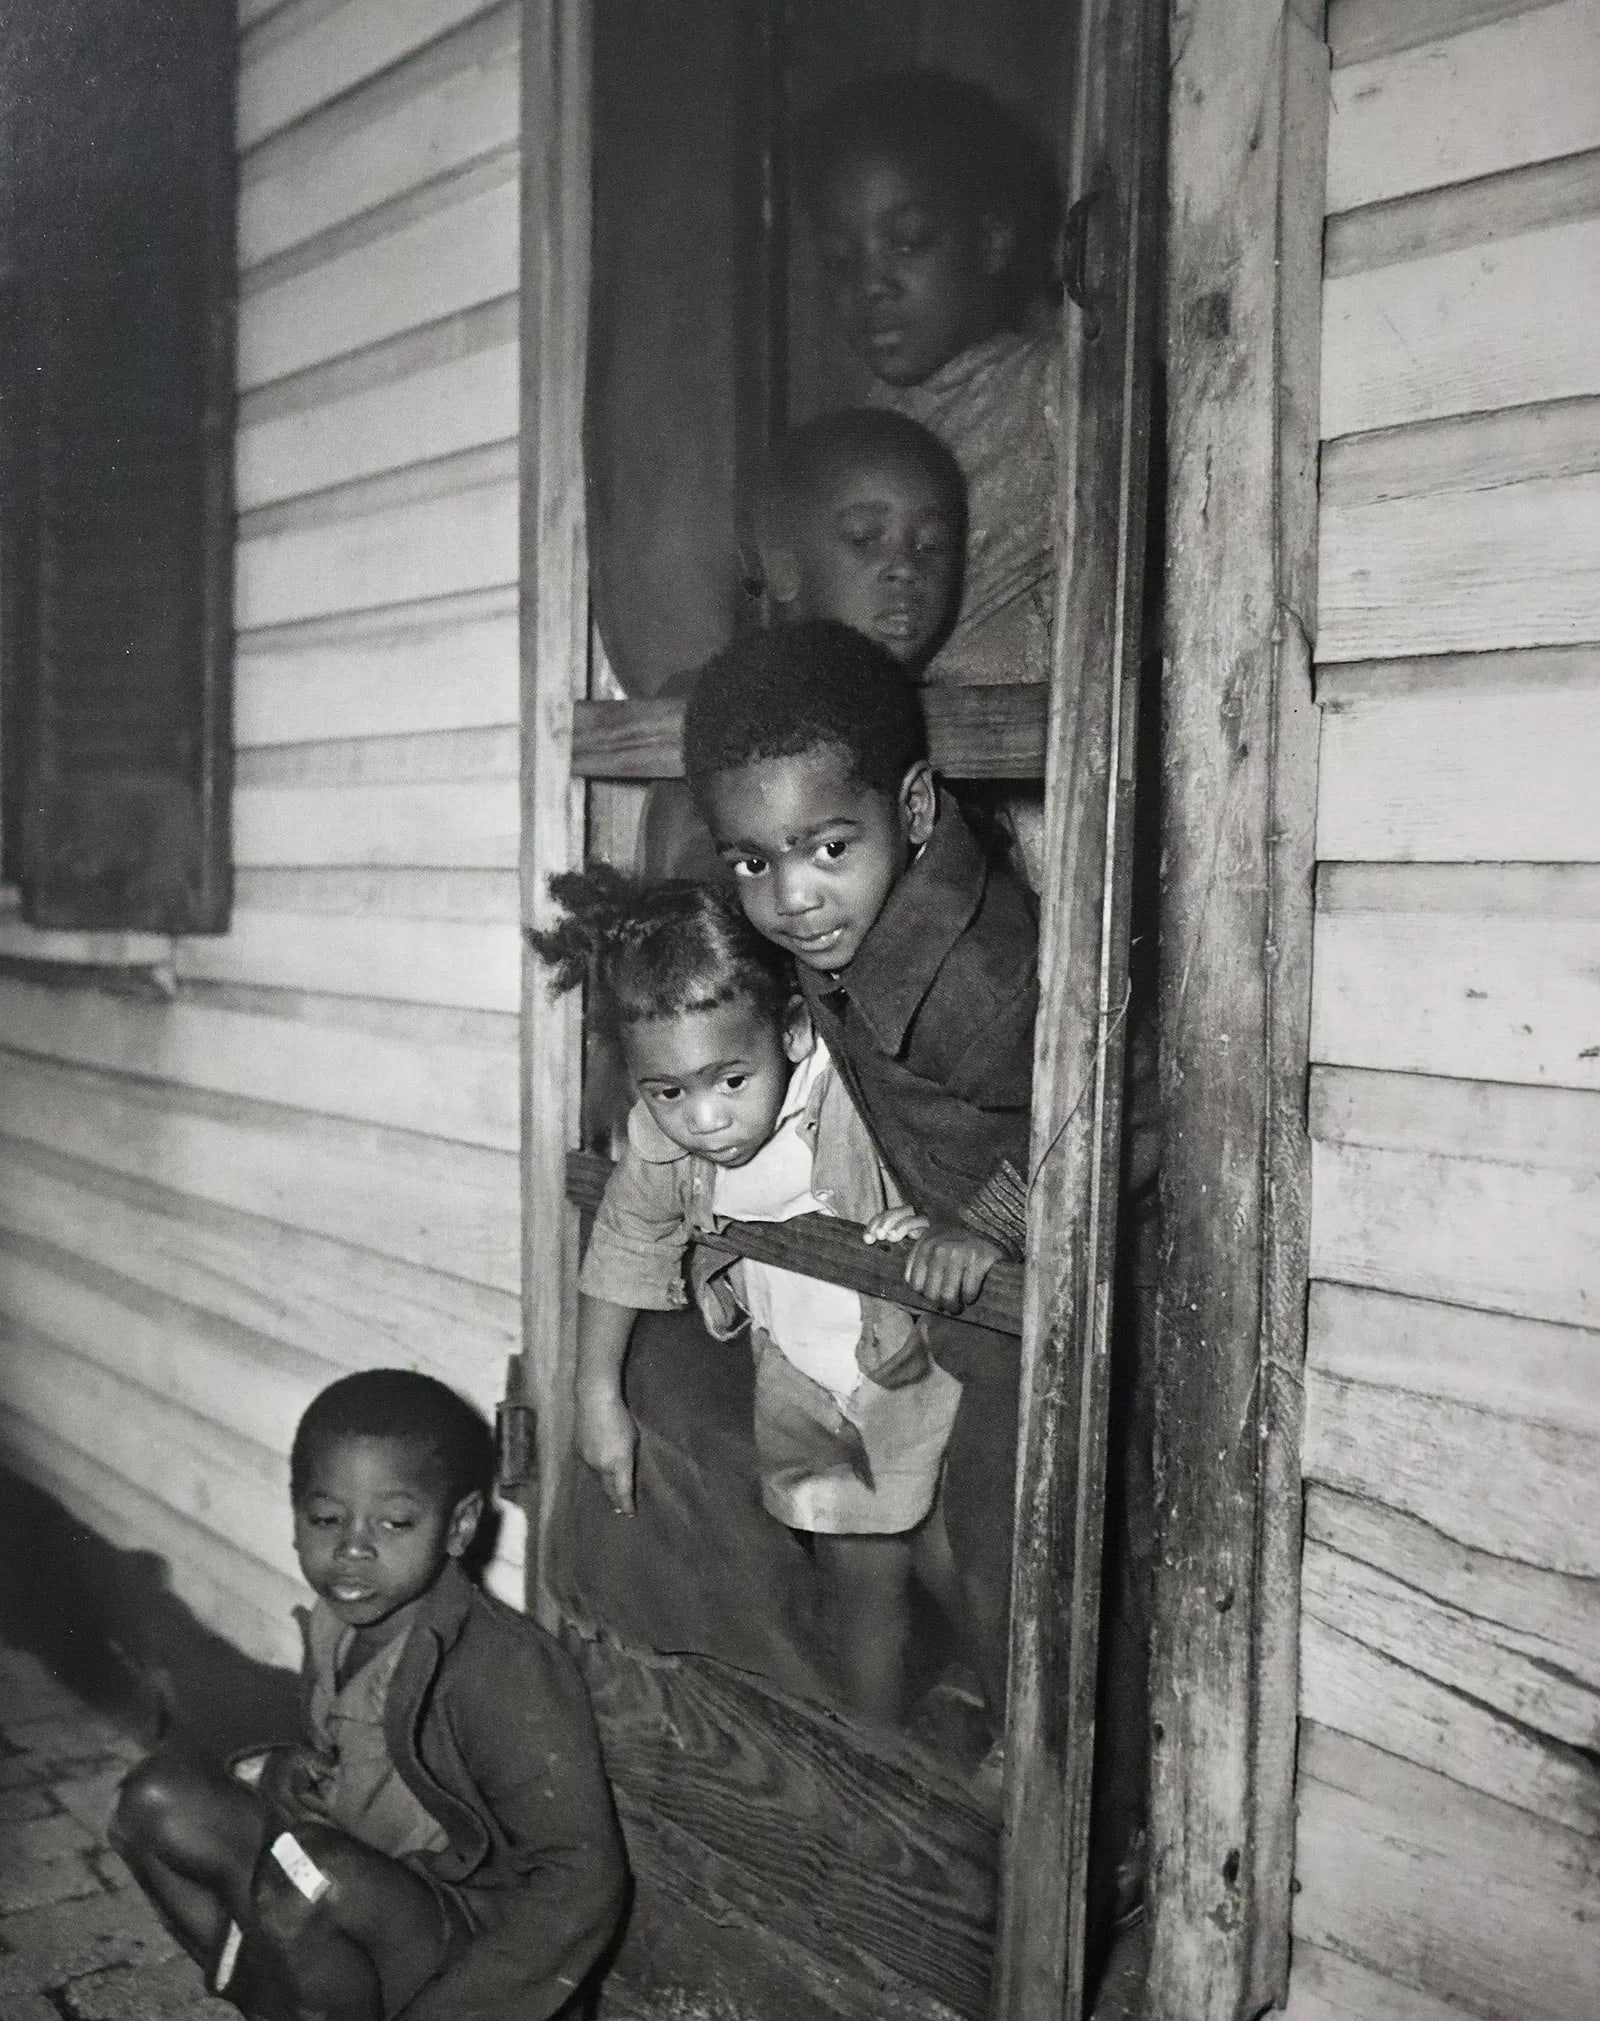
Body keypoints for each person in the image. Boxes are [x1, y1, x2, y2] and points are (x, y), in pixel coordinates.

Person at [682, 621, 1038, 1722]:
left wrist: (993, 1223)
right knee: (942, 1538)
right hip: (953, 1289)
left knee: (1002, 1552)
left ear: (917, 811)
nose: (793, 897)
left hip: (1045, 1278)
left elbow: (1129, 1112)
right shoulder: (839, 936)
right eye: (754, 861)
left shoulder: (975, 981)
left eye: (827, 847)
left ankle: (1081, 1805)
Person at [528, 868, 962, 1728]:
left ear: (794, 1033)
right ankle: (871, 1762)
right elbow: (624, 1243)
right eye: (669, 1091)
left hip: (908, 1366)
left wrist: (928, 1216)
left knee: (961, 1562)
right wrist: (595, 1393)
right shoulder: (664, 1139)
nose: (707, 1119)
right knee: (860, 1576)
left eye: (730, 1079)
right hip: (800, 1378)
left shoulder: (849, 1094)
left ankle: (1032, 1743)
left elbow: (959, 1150)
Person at [108, 1371, 626, 2021]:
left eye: (394, 1521)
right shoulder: (337, 1621)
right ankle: (271, 1991)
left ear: (460, 1525)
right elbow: (357, 1753)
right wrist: (286, 1767)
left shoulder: (502, 1667)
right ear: (296, 1515)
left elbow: (582, 1883)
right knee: (154, 1800)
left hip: (457, 1948)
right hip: (353, 1883)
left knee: (312, 1878)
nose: (353, 1547)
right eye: (327, 1517)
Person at [796, 68, 1061, 693]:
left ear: (992, 241)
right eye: (841, 259)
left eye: (908, 244)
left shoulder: (1058, 389)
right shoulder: (858, 435)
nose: (872, 283)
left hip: (1015, 749)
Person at [636, 406, 967, 887]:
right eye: (863, 538)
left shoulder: (942, 711)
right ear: (785, 570)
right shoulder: (736, 726)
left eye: (930, 545)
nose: (904, 568)